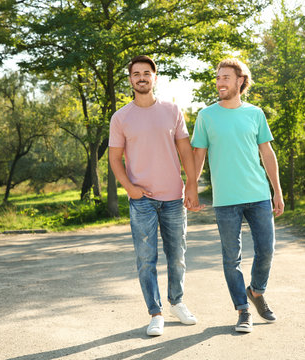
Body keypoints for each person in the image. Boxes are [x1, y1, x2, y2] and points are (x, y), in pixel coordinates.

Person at [109, 55, 203, 336]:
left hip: (174, 197)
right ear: (130, 80)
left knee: (177, 256)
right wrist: (129, 187)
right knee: (146, 259)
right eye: (136, 74)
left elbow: (186, 151)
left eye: (146, 73)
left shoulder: (172, 111)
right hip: (141, 200)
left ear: (155, 77)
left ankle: (177, 302)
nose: (141, 77)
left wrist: (192, 184)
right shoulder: (121, 117)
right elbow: (114, 159)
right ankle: (155, 313)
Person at [191, 58, 284, 333]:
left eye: (226, 78)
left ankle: (256, 291)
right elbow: (199, 154)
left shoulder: (255, 113)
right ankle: (243, 310)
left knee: (266, 249)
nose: (220, 82)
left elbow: (267, 153)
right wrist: (191, 188)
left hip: (258, 194)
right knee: (231, 258)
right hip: (225, 199)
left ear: (241, 81)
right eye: (218, 78)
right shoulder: (206, 116)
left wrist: (277, 190)